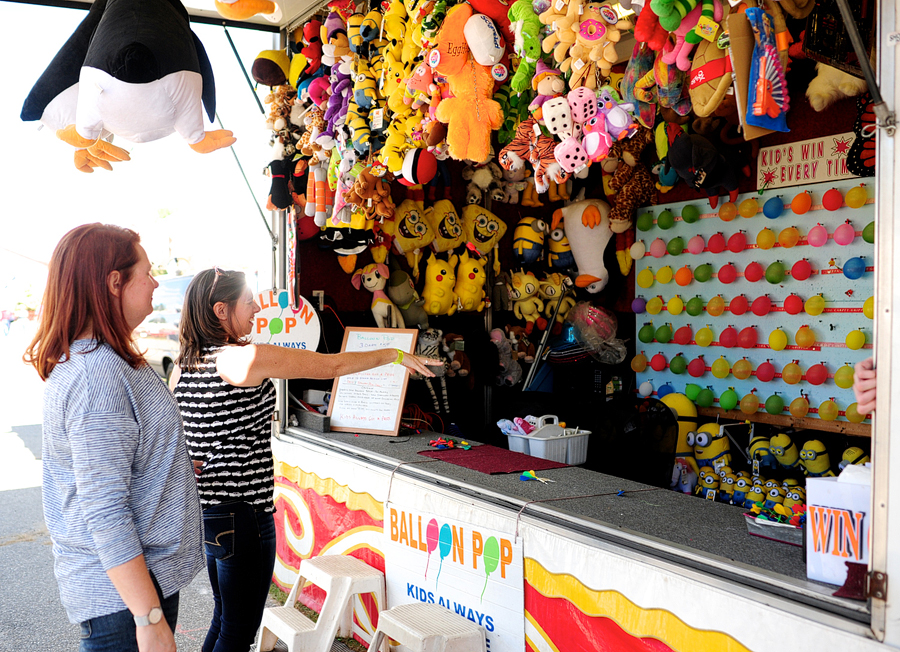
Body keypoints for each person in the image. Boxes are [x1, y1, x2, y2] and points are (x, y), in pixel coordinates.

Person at [170, 267, 439, 652]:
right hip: (245, 513)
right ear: (220, 311)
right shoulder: (242, 359)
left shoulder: (185, 364)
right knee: (238, 628)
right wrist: (395, 354)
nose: (256, 313)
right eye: (248, 303)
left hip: (209, 510)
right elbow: (332, 367)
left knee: (225, 617)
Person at [24, 224, 203, 652]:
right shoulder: (96, 376)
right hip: (125, 604)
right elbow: (104, 509)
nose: (156, 281)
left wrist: (172, 468)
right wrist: (149, 617)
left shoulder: (102, 361)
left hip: (132, 592)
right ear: (114, 282)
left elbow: (121, 461)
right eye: (147, 271)